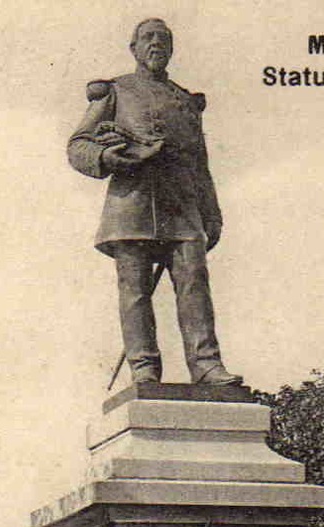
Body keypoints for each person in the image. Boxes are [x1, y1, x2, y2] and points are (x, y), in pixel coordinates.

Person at [67, 18, 242, 388]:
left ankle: (206, 365)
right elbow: (78, 145)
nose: (156, 45)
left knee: (194, 284)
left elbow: (200, 163)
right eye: (148, 39)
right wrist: (108, 159)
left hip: (181, 205)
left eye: (163, 39)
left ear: (172, 49)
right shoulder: (115, 92)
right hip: (131, 204)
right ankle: (144, 368)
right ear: (133, 48)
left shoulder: (185, 101)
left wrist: (212, 213)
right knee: (135, 291)